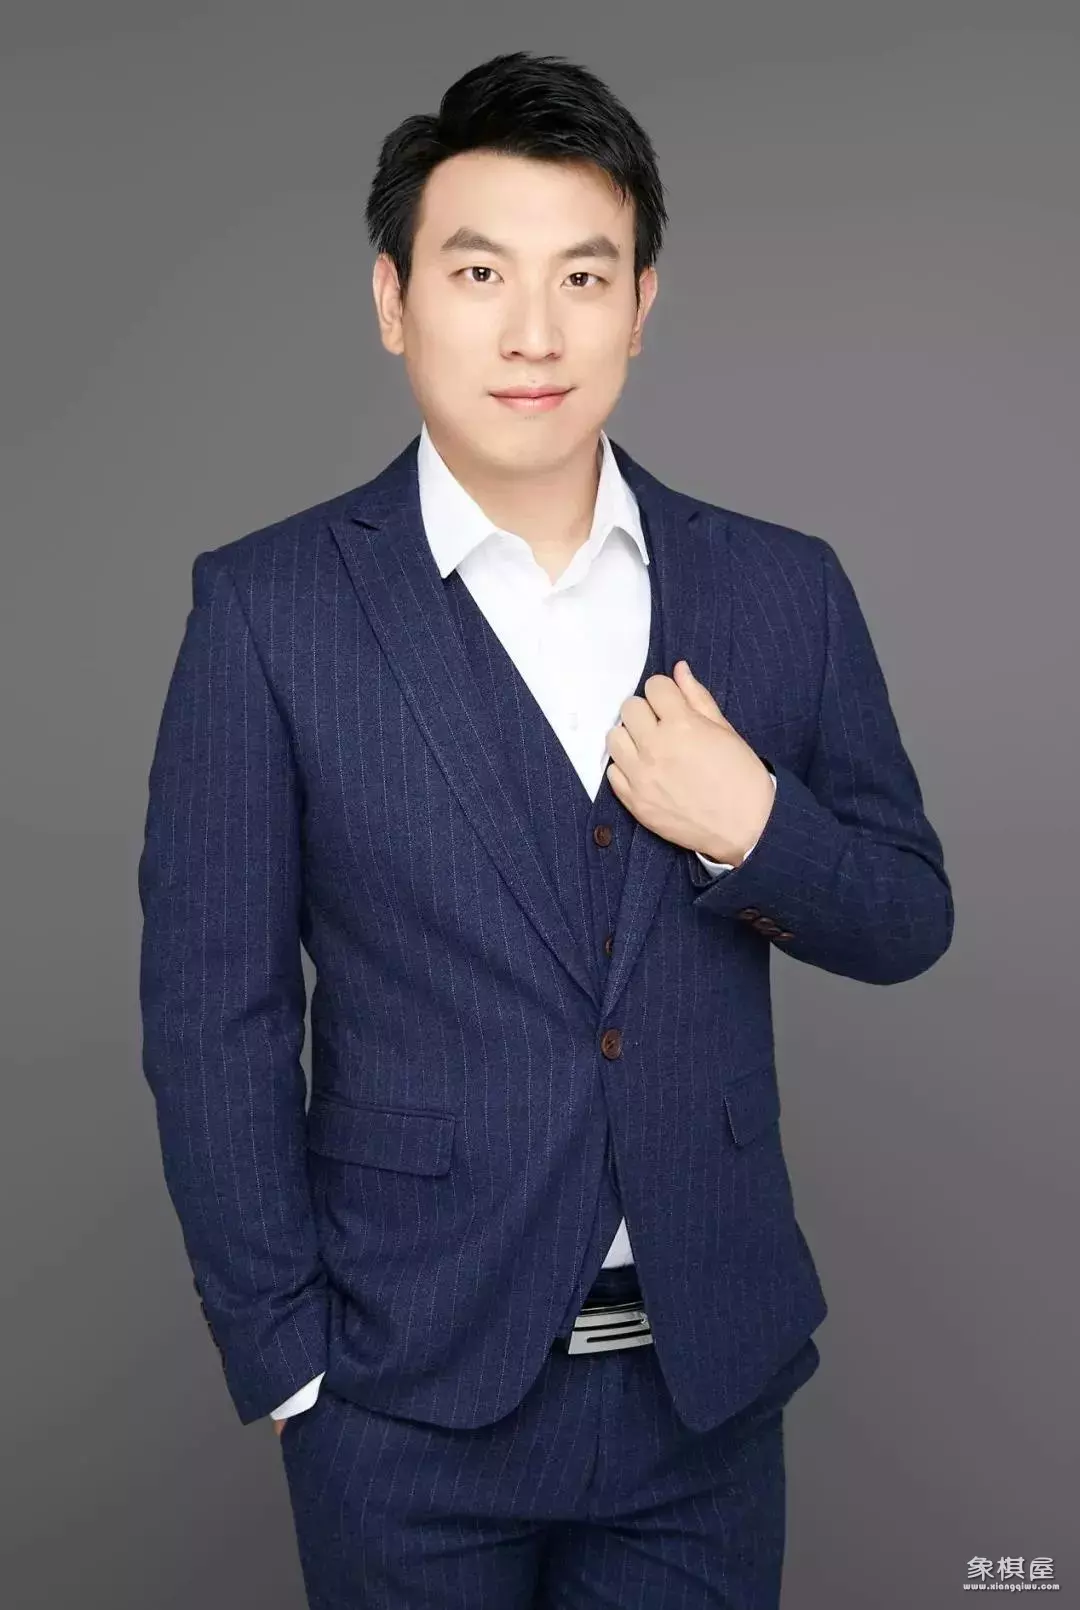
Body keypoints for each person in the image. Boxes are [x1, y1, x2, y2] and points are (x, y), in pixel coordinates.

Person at [138, 48, 953, 1609]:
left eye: (584, 275)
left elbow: (909, 913)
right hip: (401, 1400)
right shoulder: (268, 609)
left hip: (705, 1393)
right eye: (479, 272)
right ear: (394, 301)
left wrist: (757, 826)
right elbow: (210, 1013)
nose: (535, 329)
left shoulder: (781, 587)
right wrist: (287, 1359)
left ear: (642, 304)